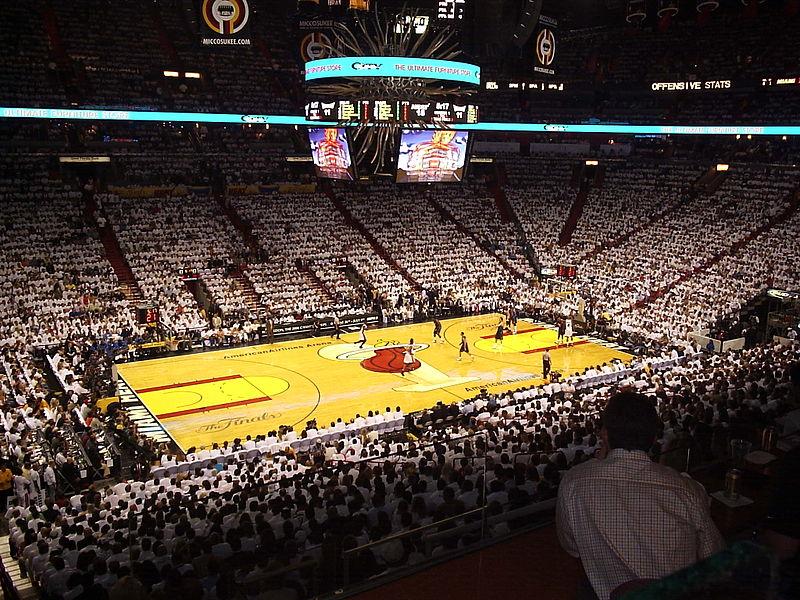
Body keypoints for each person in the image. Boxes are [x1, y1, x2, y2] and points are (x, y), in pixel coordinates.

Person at [556, 392, 724, 600]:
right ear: (654, 438)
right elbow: (714, 554)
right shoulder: (685, 489)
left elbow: (572, 547)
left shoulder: (574, 482)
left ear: (605, 435)